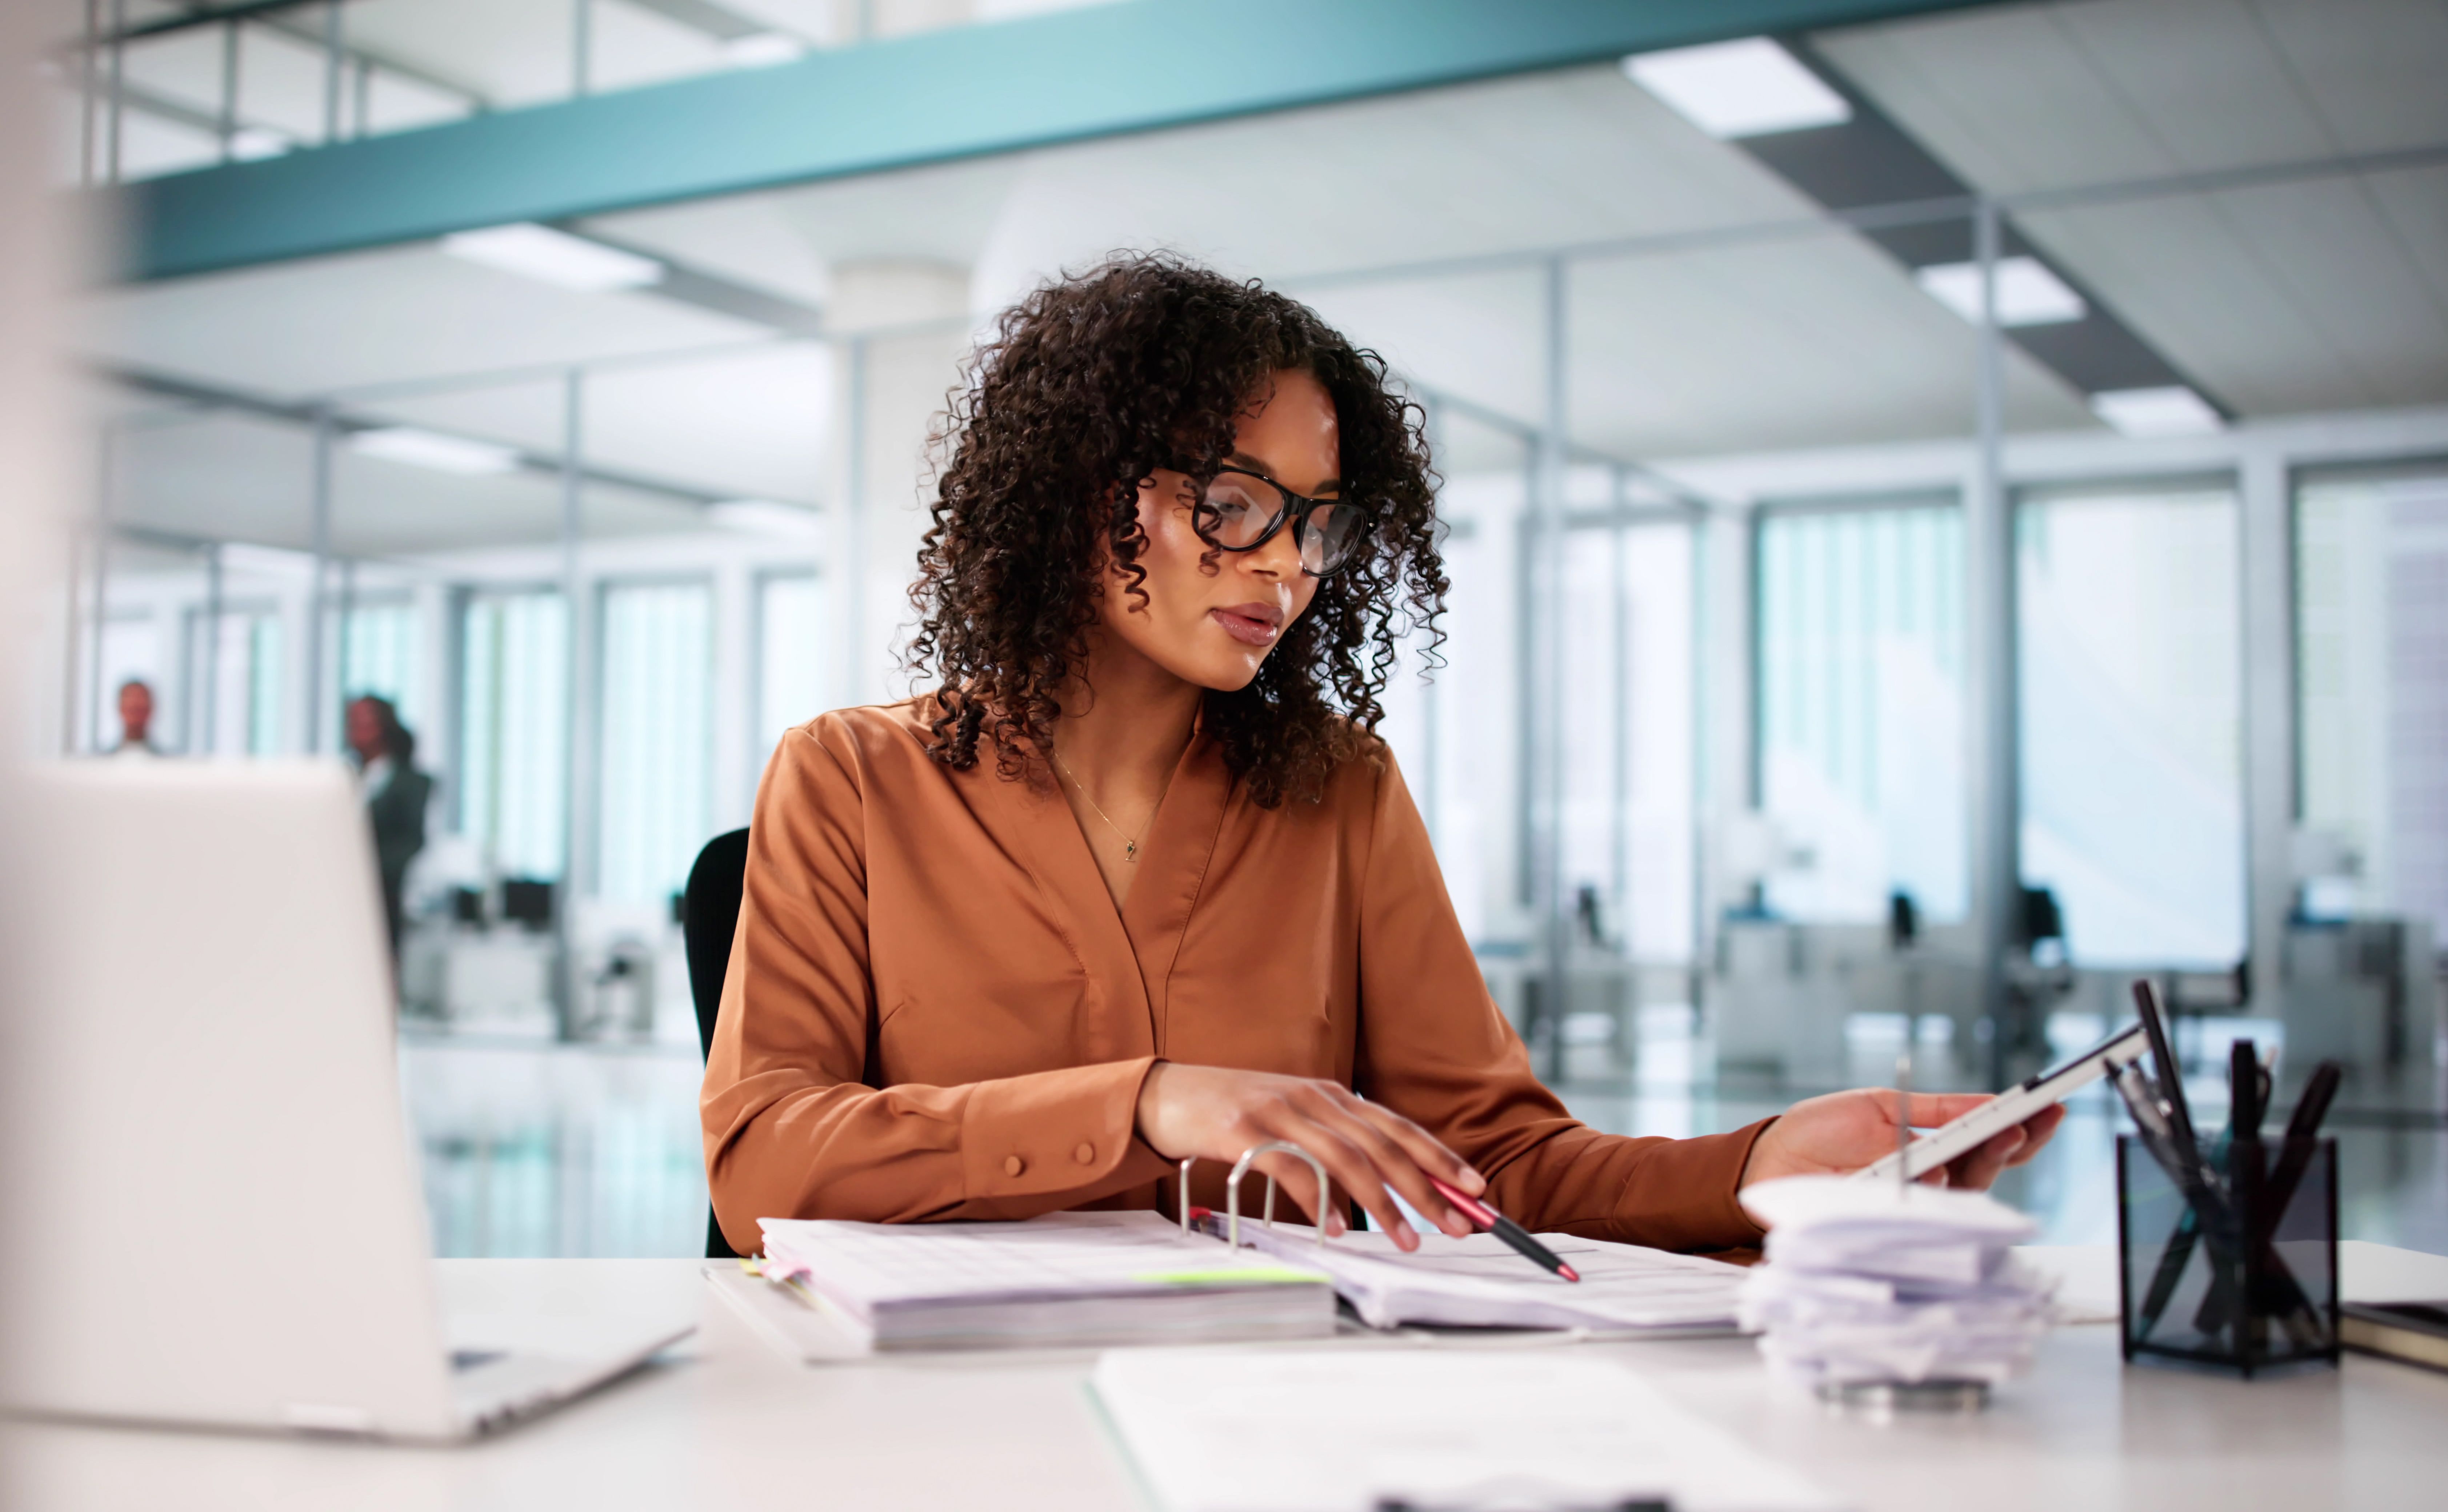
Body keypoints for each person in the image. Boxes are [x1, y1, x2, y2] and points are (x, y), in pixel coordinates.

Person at [700, 255, 2060, 1258]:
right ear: (1079, 492)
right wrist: (1153, 1104)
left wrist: (1761, 1162)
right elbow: (764, 1159)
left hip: (1272, 1413)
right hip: (929, 1429)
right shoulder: (850, 779)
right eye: (1231, 507)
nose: (1289, 565)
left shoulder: (1341, 792)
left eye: (1321, 525)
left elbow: (1496, 1163)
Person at [345, 695, 432, 960]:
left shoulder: (412, 782)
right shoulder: (343, 777)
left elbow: (413, 841)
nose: (358, 730)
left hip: (384, 894)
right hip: (341, 895)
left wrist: (366, 866)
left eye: (366, 722)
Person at [109, 677, 161, 756]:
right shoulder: (102, 761)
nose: (135, 704)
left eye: (140, 709)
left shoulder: (168, 762)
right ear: (121, 708)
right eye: (131, 710)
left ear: (150, 709)